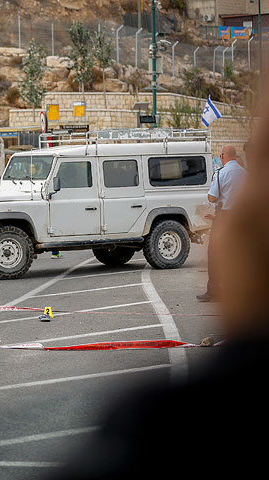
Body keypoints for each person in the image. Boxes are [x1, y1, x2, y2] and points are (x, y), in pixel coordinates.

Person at [55, 126, 269, 478]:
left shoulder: (151, 418)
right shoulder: (244, 174)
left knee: (215, 259)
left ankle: (214, 285)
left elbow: (213, 201)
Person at [196, 144, 246, 302]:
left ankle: (214, 291)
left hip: (224, 219)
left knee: (215, 254)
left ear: (223, 156)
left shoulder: (221, 173)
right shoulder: (246, 174)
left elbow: (212, 197)